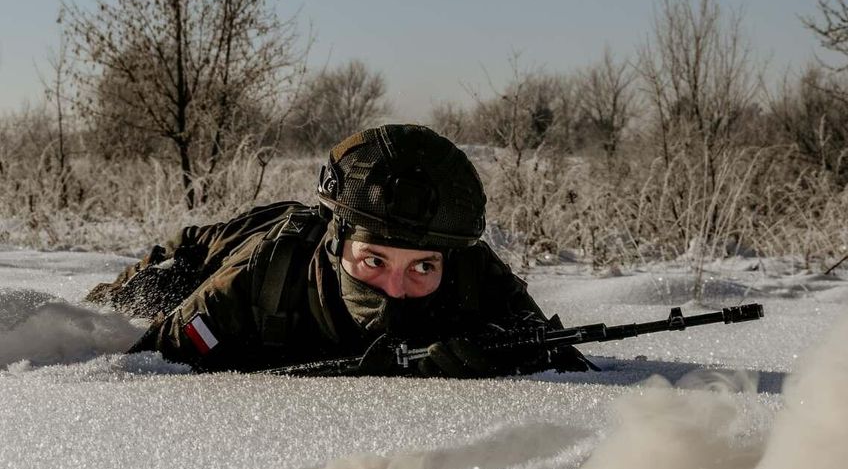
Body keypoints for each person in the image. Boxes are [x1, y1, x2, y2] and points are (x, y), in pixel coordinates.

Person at [86, 124, 589, 377]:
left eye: (422, 268)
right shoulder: (257, 282)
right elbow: (146, 368)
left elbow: (563, 354)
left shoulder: (472, 268)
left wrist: (499, 358)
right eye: (374, 261)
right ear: (337, 244)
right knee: (128, 301)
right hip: (204, 257)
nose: (398, 288)